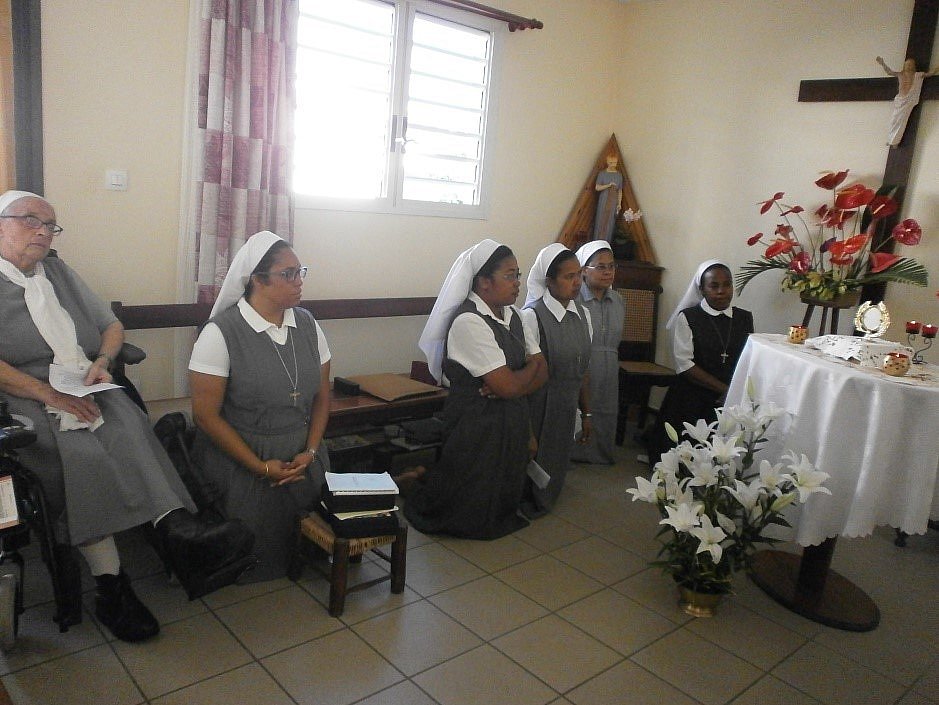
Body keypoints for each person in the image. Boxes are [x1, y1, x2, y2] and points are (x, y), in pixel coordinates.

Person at [0, 190, 254, 643]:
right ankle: (111, 585)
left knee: (132, 427)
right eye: (30, 220)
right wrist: (49, 395)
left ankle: (178, 533)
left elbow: (111, 326)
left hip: (84, 379)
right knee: (83, 459)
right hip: (23, 395)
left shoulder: (58, 272)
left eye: (51, 225)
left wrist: (103, 360)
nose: (43, 231)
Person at [189, 231, 331, 582]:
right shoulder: (220, 333)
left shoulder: (308, 325)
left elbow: (322, 396)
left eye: (300, 271)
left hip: (303, 452)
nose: (299, 282)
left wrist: (311, 451)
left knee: (311, 543)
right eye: (288, 274)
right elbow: (205, 417)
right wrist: (260, 466)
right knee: (251, 552)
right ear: (257, 279)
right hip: (243, 456)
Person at [403, 239, 546, 539]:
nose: (517, 283)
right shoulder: (469, 321)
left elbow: (540, 373)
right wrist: (523, 373)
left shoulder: (515, 316)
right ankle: (413, 483)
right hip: (475, 421)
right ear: (484, 282)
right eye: (509, 275)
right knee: (463, 502)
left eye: (518, 275)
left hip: (511, 417)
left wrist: (514, 381)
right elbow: (513, 382)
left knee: (502, 488)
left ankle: (422, 476)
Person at [647, 260, 753, 466]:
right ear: (702, 289)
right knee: (682, 459)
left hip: (729, 392)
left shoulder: (744, 318)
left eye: (727, 284)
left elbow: (747, 358)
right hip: (693, 391)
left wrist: (734, 390)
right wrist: (725, 390)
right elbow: (685, 364)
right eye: (714, 286)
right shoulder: (689, 317)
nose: (721, 291)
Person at [520, 243, 592, 516]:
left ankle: (546, 497)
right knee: (533, 459)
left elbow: (583, 369)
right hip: (539, 405)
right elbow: (524, 376)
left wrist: (587, 412)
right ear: (548, 281)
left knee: (557, 458)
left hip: (566, 403)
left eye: (579, 275)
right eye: (568, 276)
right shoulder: (532, 316)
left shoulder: (583, 314)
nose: (577, 282)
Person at [570, 240, 625, 465]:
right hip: (583, 361)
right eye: (601, 267)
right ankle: (575, 452)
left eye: (611, 266)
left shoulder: (618, 300)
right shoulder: (574, 299)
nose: (608, 272)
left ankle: (601, 453)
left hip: (609, 361)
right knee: (582, 406)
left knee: (606, 407)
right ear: (584, 270)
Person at [876, 56, 938, 146]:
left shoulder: (918, 75)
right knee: (894, 120)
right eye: (907, 64)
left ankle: (895, 141)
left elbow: (931, 73)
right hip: (899, 100)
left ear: (914, 66)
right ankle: (890, 139)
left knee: (902, 121)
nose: (909, 66)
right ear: (904, 66)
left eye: (910, 65)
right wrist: (882, 63)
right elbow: (889, 72)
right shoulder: (900, 74)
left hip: (908, 100)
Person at [593, 152, 623, 242]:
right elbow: (597, 187)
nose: (613, 165)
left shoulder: (619, 175)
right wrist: (608, 185)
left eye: (615, 163)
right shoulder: (602, 174)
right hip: (604, 200)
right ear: (607, 162)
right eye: (611, 163)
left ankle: (607, 242)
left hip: (613, 201)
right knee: (601, 220)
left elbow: (620, 190)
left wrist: (619, 203)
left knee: (610, 222)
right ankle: (597, 241)